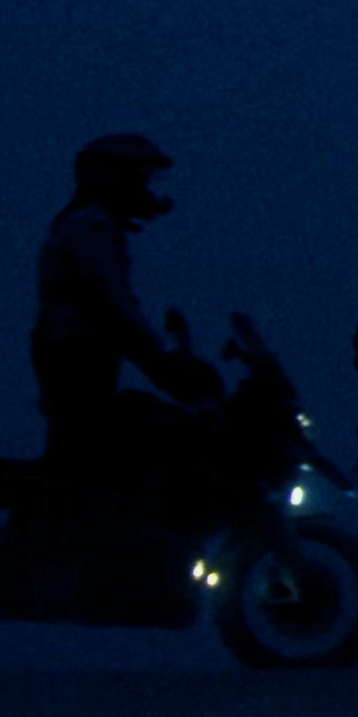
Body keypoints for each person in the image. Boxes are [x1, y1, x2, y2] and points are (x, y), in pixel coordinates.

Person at [31, 131, 221, 511]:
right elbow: (110, 303)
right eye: (139, 179)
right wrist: (164, 364)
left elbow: (116, 305)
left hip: (79, 353)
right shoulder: (91, 225)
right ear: (111, 177)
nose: (145, 191)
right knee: (94, 454)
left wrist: (161, 357)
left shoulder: (92, 225)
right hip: (78, 356)